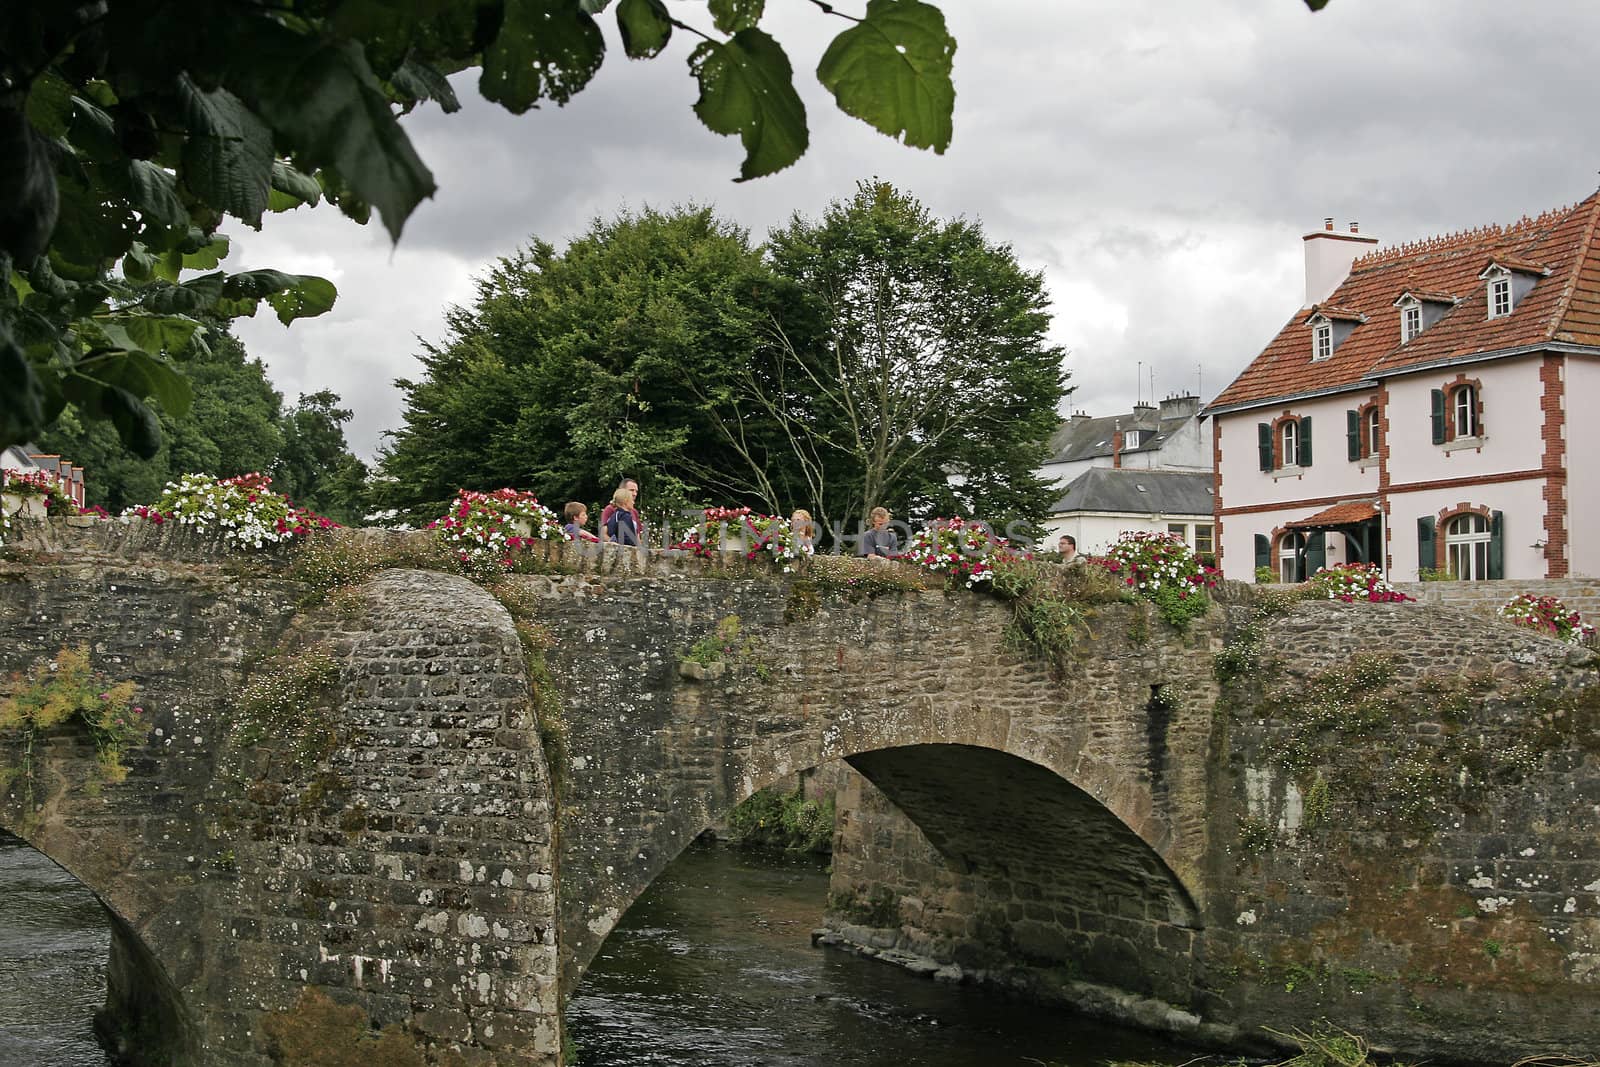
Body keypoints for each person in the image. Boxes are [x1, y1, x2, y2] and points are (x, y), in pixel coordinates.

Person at [599, 476, 646, 545]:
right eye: (631, 490)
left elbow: (637, 535)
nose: (635, 494)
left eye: (636, 491)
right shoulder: (611, 509)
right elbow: (603, 534)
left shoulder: (634, 512)